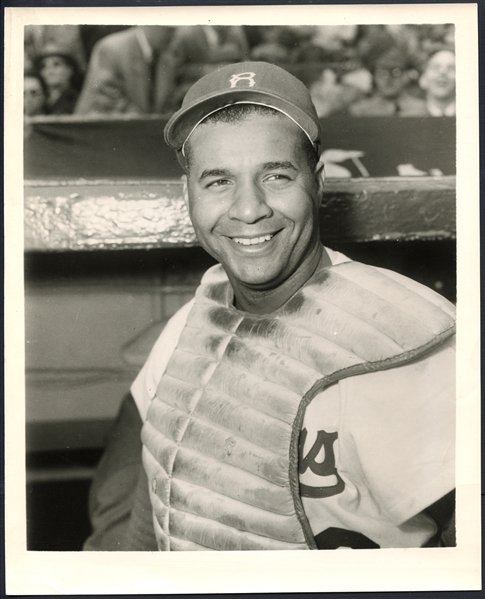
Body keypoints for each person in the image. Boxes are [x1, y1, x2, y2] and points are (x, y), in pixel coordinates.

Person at [85, 61, 455, 552]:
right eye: (218, 182)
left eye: (276, 176)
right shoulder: (189, 325)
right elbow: (147, 513)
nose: (248, 208)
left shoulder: (415, 342)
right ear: (188, 195)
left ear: (318, 182)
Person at [75, 26, 177, 116]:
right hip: (103, 130)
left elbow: (166, 104)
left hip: (141, 132)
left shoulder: (167, 57)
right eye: (171, 30)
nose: (174, 36)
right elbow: (105, 100)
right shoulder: (112, 48)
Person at [349, 46, 425, 117]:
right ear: (374, 77)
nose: (388, 80)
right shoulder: (361, 111)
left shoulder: (420, 110)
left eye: (396, 73)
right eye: (382, 74)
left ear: (405, 76)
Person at [35, 44, 84, 115]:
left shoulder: (80, 101)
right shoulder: (39, 100)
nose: (50, 71)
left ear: (70, 69)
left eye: (56, 64)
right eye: (43, 66)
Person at [417, 49, 456, 116]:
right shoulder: (406, 116)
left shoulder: (473, 115)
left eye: (451, 68)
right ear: (423, 79)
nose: (442, 72)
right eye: (436, 67)